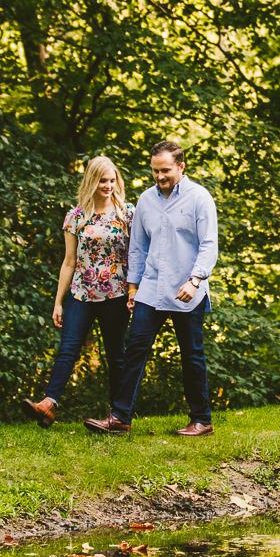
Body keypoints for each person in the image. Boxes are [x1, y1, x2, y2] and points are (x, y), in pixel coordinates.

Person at [84, 139, 218, 437]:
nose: (160, 177)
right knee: (135, 350)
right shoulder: (146, 200)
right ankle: (120, 418)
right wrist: (133, 288)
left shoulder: (199, 198)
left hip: (187, 289)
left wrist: (195, 280)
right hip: (151, 287)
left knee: (191, 354)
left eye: (166, 171)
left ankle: (201, 419)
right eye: (155, 171)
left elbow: (209, 245)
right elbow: (138, 247)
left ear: (181, 167)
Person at [25, 156, 132, 428]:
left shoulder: (127, 214)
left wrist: (134, 290)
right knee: (68, 348)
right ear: (91, 181)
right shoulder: (76, 216)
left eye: (111, 180)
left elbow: (136, 255)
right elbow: (69, 261)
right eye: (102, 180)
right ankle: (48, 404)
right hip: (80, 293)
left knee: (115, 354)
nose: (107, 185)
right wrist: (58, 302)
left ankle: (119, 415)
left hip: (116, 294)